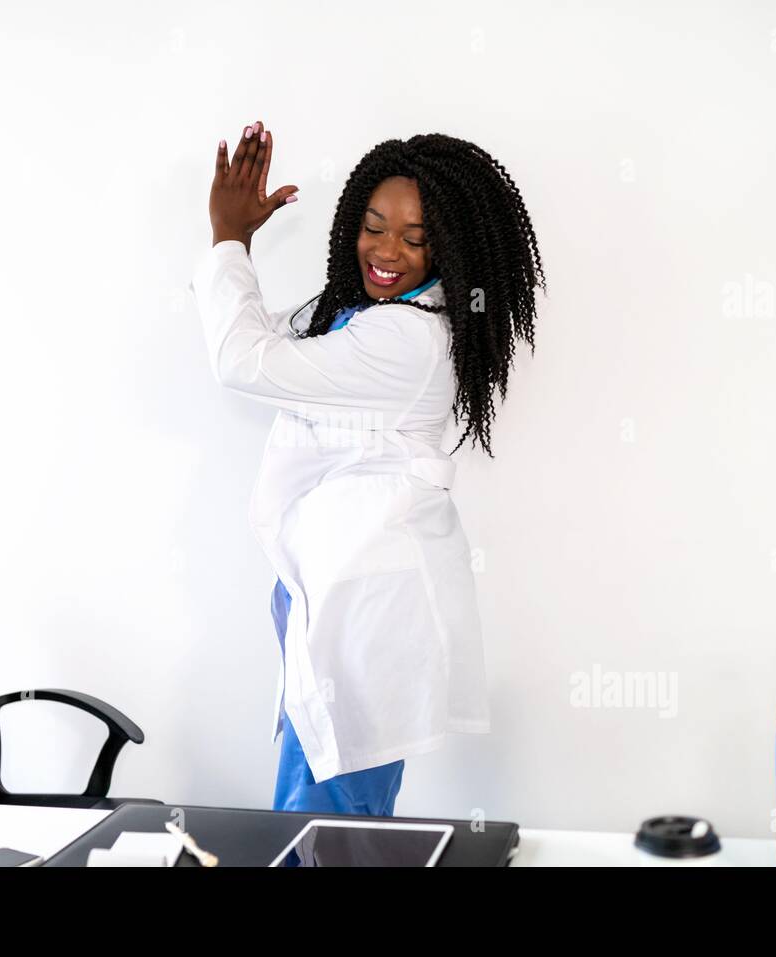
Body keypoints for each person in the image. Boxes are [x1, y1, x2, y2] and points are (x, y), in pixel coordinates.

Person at [190, 118, 545, 816]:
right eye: (374, 226)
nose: (387, 251)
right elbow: (263, 336)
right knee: (324, 820)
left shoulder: (408, 339)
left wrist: (229, 237)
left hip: (360, 613)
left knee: (327, 830)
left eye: (416, 239)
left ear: (451, 249)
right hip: (330, 594)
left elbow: (243, 361)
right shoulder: (366, 312)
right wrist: (236, 243)